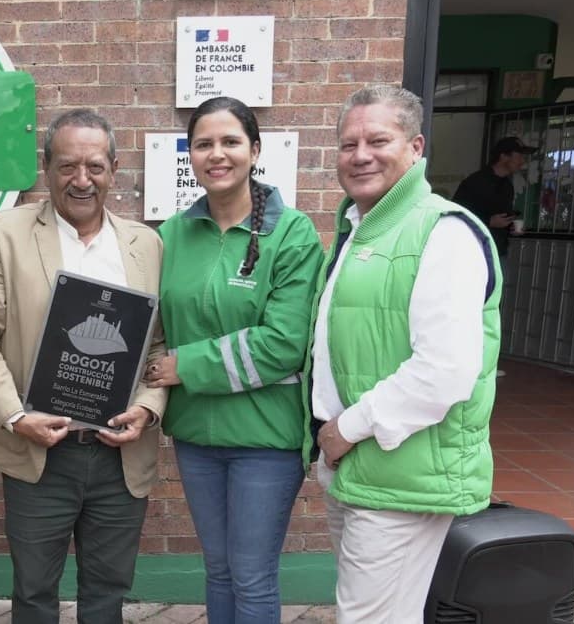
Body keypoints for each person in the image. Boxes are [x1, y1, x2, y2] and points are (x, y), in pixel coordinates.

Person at [0, 109, 167, 623]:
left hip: (119, 454)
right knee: (32, 592)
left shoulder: (147, 245)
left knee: (107, 595)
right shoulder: (5, 234)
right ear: (46, 166)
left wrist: (147, 408)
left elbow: (156, 347)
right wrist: (14, 415)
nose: (82, 179)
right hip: (39, 452)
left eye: (95, 166)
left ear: (115, 168)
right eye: (67, 165)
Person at [309, 85, 502, 624]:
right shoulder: (363, 229)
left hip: (396, 467)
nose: (360, 154)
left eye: (378, 140)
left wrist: (347, 427)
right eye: (348, 144)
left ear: (415, 147)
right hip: (361, 462)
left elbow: (445, 370)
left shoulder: (444, 233)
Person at [143, 97, 324, 624]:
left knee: (251, 574)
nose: (216, 154)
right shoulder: (171, 235)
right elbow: (152, 326)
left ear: (255, 150)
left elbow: (284, 344)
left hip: (263, 438)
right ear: (190, 155)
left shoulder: (292, 234)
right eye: (203, 144)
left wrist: (185, 367)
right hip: (197, 435)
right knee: (218, 571)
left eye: (230, 142)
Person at [454, 135, 536, 259]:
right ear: (503, 156)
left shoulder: (507, 185)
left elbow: (501, 216)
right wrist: (488, 221)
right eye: (519, 156)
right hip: (473, 253)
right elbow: (457, 215)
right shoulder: (475, 182)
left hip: (498, 252)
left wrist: (511, 226)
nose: (522, 162)